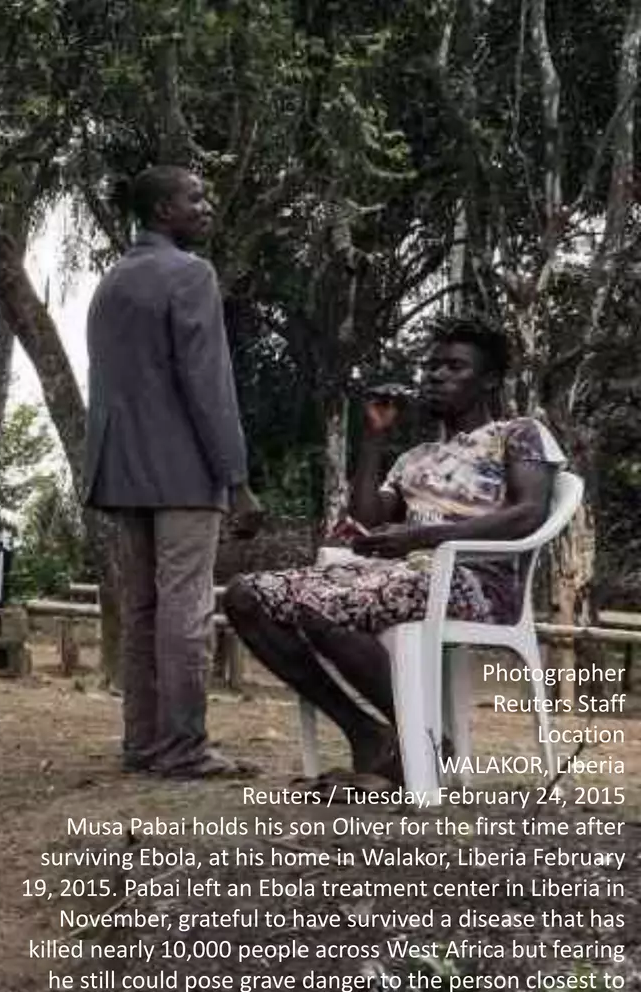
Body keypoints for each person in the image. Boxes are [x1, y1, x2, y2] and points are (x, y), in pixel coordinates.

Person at [224, 318, 563, 787]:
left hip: (475, 582)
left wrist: (420, 539)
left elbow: (527, 514)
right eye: (433, 367)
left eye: (454, 368)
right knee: (245, 595)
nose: (437, 376)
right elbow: (363, 520)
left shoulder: (519, 433)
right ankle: (369, 734)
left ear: (488, 381)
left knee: (322, 606)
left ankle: (420, 744)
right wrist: (375, 437)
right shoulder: (416, 457)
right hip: (394, 574)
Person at [84, 164, 264, 779]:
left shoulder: (112, 281)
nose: (207, 205)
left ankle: (143, 743)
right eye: (196, 197)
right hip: (184, 473)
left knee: (140, 612)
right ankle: (185, 748)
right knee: (185, 610)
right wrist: (235, 478)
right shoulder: (190, 275)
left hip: (120, 472)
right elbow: (208, 385)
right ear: (164, 210)